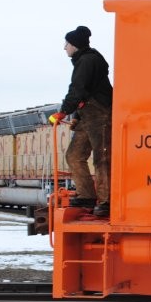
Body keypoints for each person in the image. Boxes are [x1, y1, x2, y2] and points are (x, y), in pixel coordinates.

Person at [49, 26, 113, 217]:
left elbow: (77, 90)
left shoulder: (87, 61)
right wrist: (77, 116)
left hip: (100, 114)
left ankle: (107, 200)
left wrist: (63, 112)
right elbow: (84, 92)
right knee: (74, 155)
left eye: (66, 43)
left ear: (75, 45)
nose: (64, 47)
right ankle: (87, 195)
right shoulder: (85, 60)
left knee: (102, 159)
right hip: (88, 114)